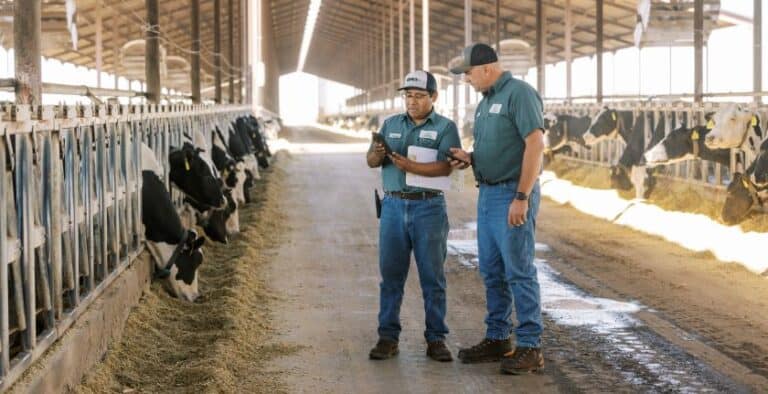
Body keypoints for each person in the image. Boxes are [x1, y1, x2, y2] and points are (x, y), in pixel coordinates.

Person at [446, 43, 546, 374]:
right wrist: (470, 159)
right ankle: (498, 337)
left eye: (468, 73)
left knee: (519, 270)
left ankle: (530, 345)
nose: (466, 80)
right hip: (488, 193)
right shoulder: (485, 102)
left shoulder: (520, 94)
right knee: (492, 271)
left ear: (487, 68)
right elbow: (500, 147)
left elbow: (535, 144)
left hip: (511, 194)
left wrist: (522, 196)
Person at [366, 70, 461, 362]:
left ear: (433, 97)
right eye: (408, 95)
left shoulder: (446, 127)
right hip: (393, 205)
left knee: (433, 276)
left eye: (419, 96)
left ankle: (436, 339)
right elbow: (370, 161)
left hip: (428, 207)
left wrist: (410, 166)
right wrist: (378, 153)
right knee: (391, 275)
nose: (412, 101)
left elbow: (447, 166)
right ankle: (387, 337)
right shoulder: (391, 123)